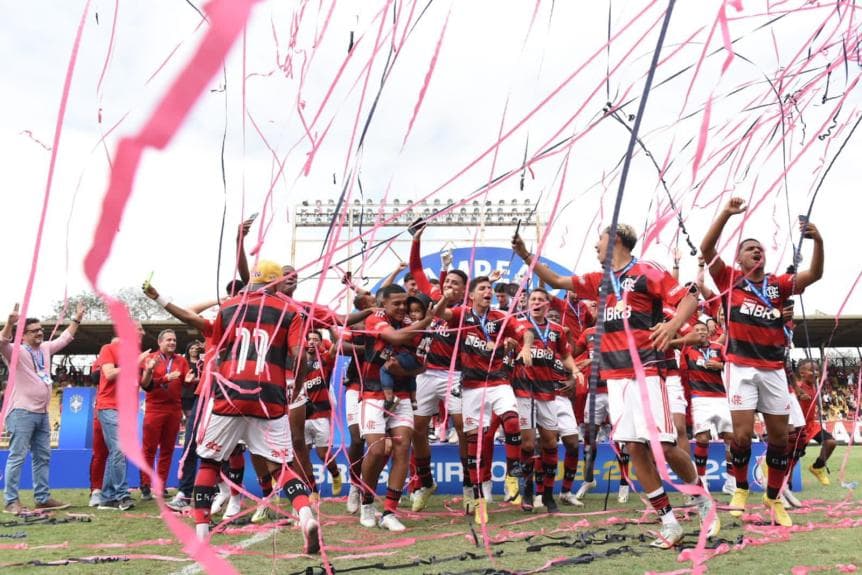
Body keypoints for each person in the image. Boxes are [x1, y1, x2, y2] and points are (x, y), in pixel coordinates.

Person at [513, 224, 716, 548]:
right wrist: (526, 254)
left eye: (600, 239)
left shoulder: (646, 271)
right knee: (634, 448)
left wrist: (674, 323)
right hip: (616, 378)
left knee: (661, 446)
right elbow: (556, 281)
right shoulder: (599, 281)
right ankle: (669, 522)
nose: (595, 245)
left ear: (616, 240)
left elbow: (690, 296)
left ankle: (701, 498)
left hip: (646, 370)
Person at [700, 197, 824, 527]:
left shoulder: (778, 286)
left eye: (760, 249)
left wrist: (819, 241)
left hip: (773, 371)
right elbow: (707, 247)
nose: (757, 251)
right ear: (738, 258)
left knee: (780, 440)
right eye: (750, 248)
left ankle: (772, 499)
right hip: (740, 366)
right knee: (740, 437)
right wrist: (726, 213)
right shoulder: (728, 280)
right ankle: (740, 488)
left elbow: (815, 274)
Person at [188, 260, 319, 552]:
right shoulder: (291, 311)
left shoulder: (230, 306)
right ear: (275, 283)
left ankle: (201, 534)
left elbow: (217, 347)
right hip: (269, 396)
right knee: (282, 466)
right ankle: (306, 516)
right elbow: (300, 357)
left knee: (209, 461)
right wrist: (296, 387)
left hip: (230, 394)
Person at [434, 277, 533, 524]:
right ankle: (479, 502)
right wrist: (446, 295)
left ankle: (512, 472)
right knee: (474, 446)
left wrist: (526, 347)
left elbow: (526, 331)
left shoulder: (500, 316)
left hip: (499, 381)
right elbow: (438, 313)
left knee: (512, 422)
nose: (488, 291)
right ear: (472, 296)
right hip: (471, 387)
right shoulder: (460, 314)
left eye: (490, 288)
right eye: (483, 288)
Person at [358, 285, 433, 532]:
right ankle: (366, 501)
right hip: (372, 392)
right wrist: (426, 322)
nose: (402, 308)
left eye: (404, 303)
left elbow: (422, 366)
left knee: (403, 448)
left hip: (401, 396)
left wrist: (406, 370)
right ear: (384, 304)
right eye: (396, 304)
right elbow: (395, 338)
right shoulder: (376, 318)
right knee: (378, 450)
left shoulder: (414, 322)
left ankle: (390, 511)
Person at [1, 302, 84, 514]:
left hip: (42, 413)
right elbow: (2, 341)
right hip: (21, 412)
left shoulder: (45, 349)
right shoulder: (16, 351)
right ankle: (11, 501)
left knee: (43, 456)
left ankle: (42, 498)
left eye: (41, 330)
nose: (40, 333)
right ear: (24, 335)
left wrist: (77, 319)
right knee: (17, 456)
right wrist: (10, 323)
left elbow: (65, 338)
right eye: (34, 331)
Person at [513, 288, 578, 514]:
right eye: (533, 299)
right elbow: (511, 342)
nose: (537, 302)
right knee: (529, 444)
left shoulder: (558, 331)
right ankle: (528, 491)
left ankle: (549, 494)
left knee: (550, 443)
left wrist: (575, 369)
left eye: (541, 299)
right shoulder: (518, 324)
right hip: (524, 390)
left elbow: (566, 355)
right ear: (527, 303)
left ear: (548, 305)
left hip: (548, 391)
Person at [95, 322, 148, 511]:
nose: (142, 332)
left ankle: (107, 497)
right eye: (138, 329)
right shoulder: (109, 348)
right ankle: (122, 495)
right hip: (110, 407)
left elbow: (142, 383)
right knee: (118, 449)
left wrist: (148, 370)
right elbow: (109, 374)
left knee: (118, 452)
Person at [680, 322, 734, 492]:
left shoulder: (719, 347)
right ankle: (702, 482)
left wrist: (721, 366)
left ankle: (731, 482)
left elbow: (733, 365)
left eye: (703, 330)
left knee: (731, 439)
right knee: (702, 439)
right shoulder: (687, 350)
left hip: (722, 397)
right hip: (699, 398)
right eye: (696, 330)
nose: (700, 332)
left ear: (709, 332)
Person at [139, 329, 193, 500]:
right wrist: (162, 377)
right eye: (169, 340)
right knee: (149, 449)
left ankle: (160, 486)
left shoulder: (182, 361)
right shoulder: (150, 359)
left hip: (174, 409)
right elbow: (145, 384)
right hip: (154, 408)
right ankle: (145, 485)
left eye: (174, 340)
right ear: (160, 342)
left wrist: (190, 382)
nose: (172, 343)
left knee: (168, 450)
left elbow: (186, 383)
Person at [302, 330, 343, 498]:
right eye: (309, 339)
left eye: (316, 339)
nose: (312, 342)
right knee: (302, 456)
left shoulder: (324, 360)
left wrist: (331, 327)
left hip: (321, 415)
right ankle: (312, 491)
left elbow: (337, 343)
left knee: (322, 454)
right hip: (301, 417)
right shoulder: (297, 363)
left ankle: (335, 474)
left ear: (321, 342)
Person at [794, 360, 837, 486]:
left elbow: (824, 374)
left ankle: (817, 467)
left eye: (817, 370)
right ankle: (786, 483)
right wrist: (798, 396)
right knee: (794, 458)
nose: (816, 373)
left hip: (812, 425)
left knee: (830, 442)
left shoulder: (814, 385)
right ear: (802, 373)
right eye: (811, 370)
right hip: (799, 428)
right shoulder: (798, 386)